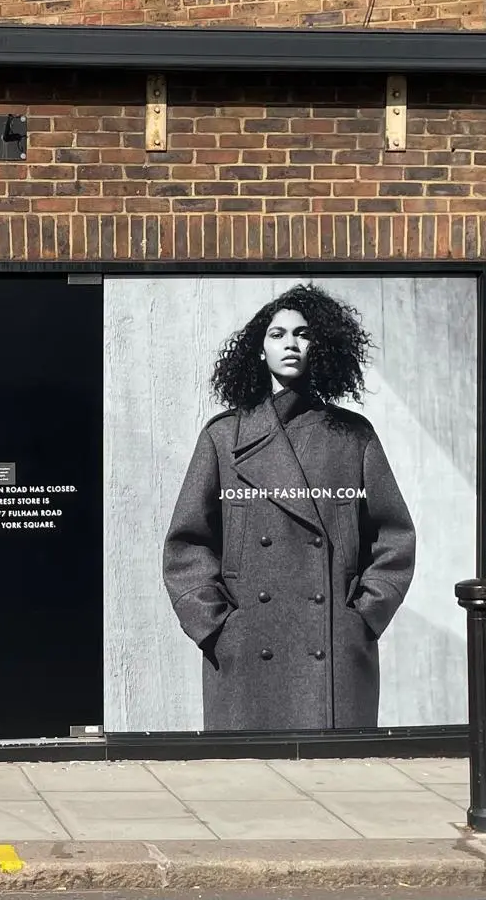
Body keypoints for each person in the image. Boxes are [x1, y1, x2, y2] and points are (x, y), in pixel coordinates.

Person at [163, 283, 416, 731]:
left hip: (332, 652)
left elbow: (393, 537)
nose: (291, 344)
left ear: (319, 346)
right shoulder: (224, 437)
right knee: (247, 792)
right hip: (246, 654)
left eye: (302, 334)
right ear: (259, 349)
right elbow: (187, 544)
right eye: (277, 334)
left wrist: (360, 618)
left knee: (332, 791)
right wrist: (218, 627)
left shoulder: (353, 436)